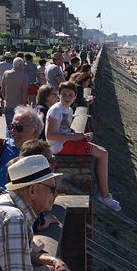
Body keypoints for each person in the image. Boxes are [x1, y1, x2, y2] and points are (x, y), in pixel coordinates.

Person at [45, 81, 120, 211]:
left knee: (102, 151)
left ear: (75, 97)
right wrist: (73, 137)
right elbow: (50, 135)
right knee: (103, 154)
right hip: (59, 147)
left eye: (70, 95)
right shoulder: (56, 110)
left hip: (66, 143)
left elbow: (65, 130)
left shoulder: (68, 109)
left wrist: (81, 135)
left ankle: (104, 194)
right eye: (64, 95)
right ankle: (105, 196)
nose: (67, 98)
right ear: (59, 95)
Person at [0, 57, 29, 136]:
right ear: (19, 65)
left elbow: (2, 88)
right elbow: (24, 91)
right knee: (19, 128)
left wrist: (5, 98)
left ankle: (8, 144)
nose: (24, 66)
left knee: (9, 127)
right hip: (19, 105)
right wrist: (24, 105)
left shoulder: (6, 73)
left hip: (8, 104)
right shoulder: (24, 76)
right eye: (23, 65)